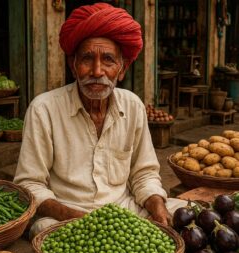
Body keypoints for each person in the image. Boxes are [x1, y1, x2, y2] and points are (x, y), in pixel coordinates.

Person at [14, 3, 184, 240]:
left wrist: (157, 207)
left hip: (123, 211)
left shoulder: (133, 105)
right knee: (44, 231)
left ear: (122, 69)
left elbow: (143, 174)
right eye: (87, 59)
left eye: (108, 60)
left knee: (186, 213)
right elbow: (30, 185)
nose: (96, 71)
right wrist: (76, 217)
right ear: (73, 66)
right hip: (66, 217)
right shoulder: (44, 109)